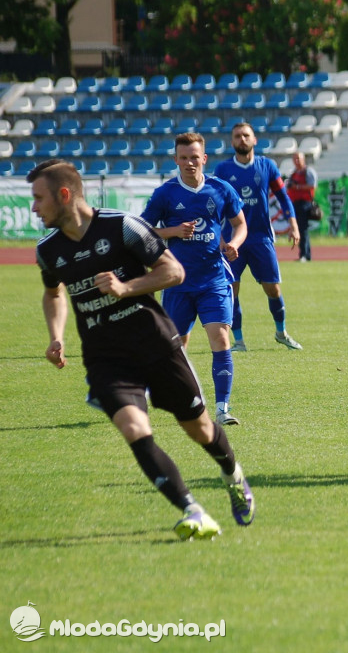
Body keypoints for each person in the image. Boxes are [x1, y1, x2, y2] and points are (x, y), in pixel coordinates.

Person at [30, 159, 255, 540]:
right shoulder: (48, 250)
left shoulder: (122, 227)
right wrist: (57, 336)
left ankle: (233, 476)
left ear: (64, 194)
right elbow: (53, 294)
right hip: (105, 358)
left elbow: (174, 272)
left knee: (200, 429)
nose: (34, 207)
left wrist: (125, 288)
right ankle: (193, 510)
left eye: (39, 198)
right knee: (134, 429)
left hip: (156, 345)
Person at [141, 132, 247, 428]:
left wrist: (234, 243)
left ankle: (222, 409)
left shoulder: (220, 189)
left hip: (214, 279)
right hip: (177, 283)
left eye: (194, 157)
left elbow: (240, 224)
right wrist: (173, 232)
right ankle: (153, 391)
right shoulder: (165, 193)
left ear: (204, 159)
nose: (189, 162)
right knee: (175, 347)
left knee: (220, 338)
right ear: (176, 160)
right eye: (184, 158)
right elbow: (142, 229)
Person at [214, 122, 303, 351]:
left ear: (254, 140)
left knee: (273, 289)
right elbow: (214, 205)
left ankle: (281, 333)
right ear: (232, 141)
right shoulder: (223, 170)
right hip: (232, 240)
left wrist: (293, 225)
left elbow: (283, 197)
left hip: (261, 238)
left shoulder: (267, 166)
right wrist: (219, 237)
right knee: (231, 290)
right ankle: (238, 341)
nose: (242, 139)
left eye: (246, 135)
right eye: (237, 136)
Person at [286, 151, 318, 262]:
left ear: (303, 159)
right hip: (295, 203)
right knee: (300, 228)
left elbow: (312, 185)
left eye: (298, 159)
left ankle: (304, 254)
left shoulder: (308, 172)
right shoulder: (294, 173)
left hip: (305, 203)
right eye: (294, 159)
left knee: (302, 229)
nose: (296, 161)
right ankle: (305, 254)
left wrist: (297, 187)